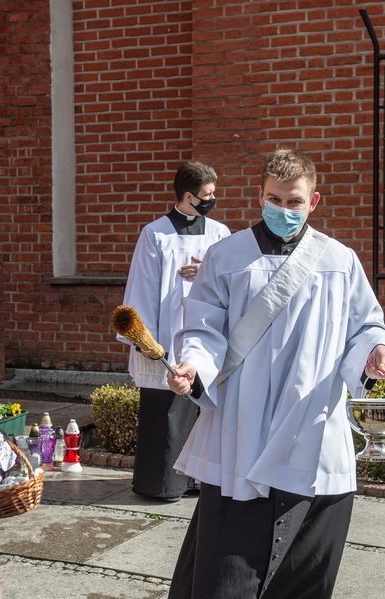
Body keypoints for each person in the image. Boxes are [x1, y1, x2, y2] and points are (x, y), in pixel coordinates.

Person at [165, 149, 385, 599]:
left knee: (305, 571)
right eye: (274, 199)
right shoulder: (226, 255)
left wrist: (377, 348)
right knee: (227, 569)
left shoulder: (340, 260)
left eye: (294, 202)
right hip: (241, 425)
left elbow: (367, 322)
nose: (283, 210)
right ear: (260, 196)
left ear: (313, 202)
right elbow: (203, 326)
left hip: (311, 424)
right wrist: (193, 365)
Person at [120, 160, 230, 500]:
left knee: (205, 409)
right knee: (166, 413)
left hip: (206, 335)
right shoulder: (156, 234)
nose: (213, 199)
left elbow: (233, 285)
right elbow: (142, 285)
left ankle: (200, 480)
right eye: (207, 194)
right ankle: (163, 483)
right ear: (187, 196)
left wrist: (207, 273)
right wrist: (144, 338)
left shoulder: (220, 234)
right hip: (166, 338)